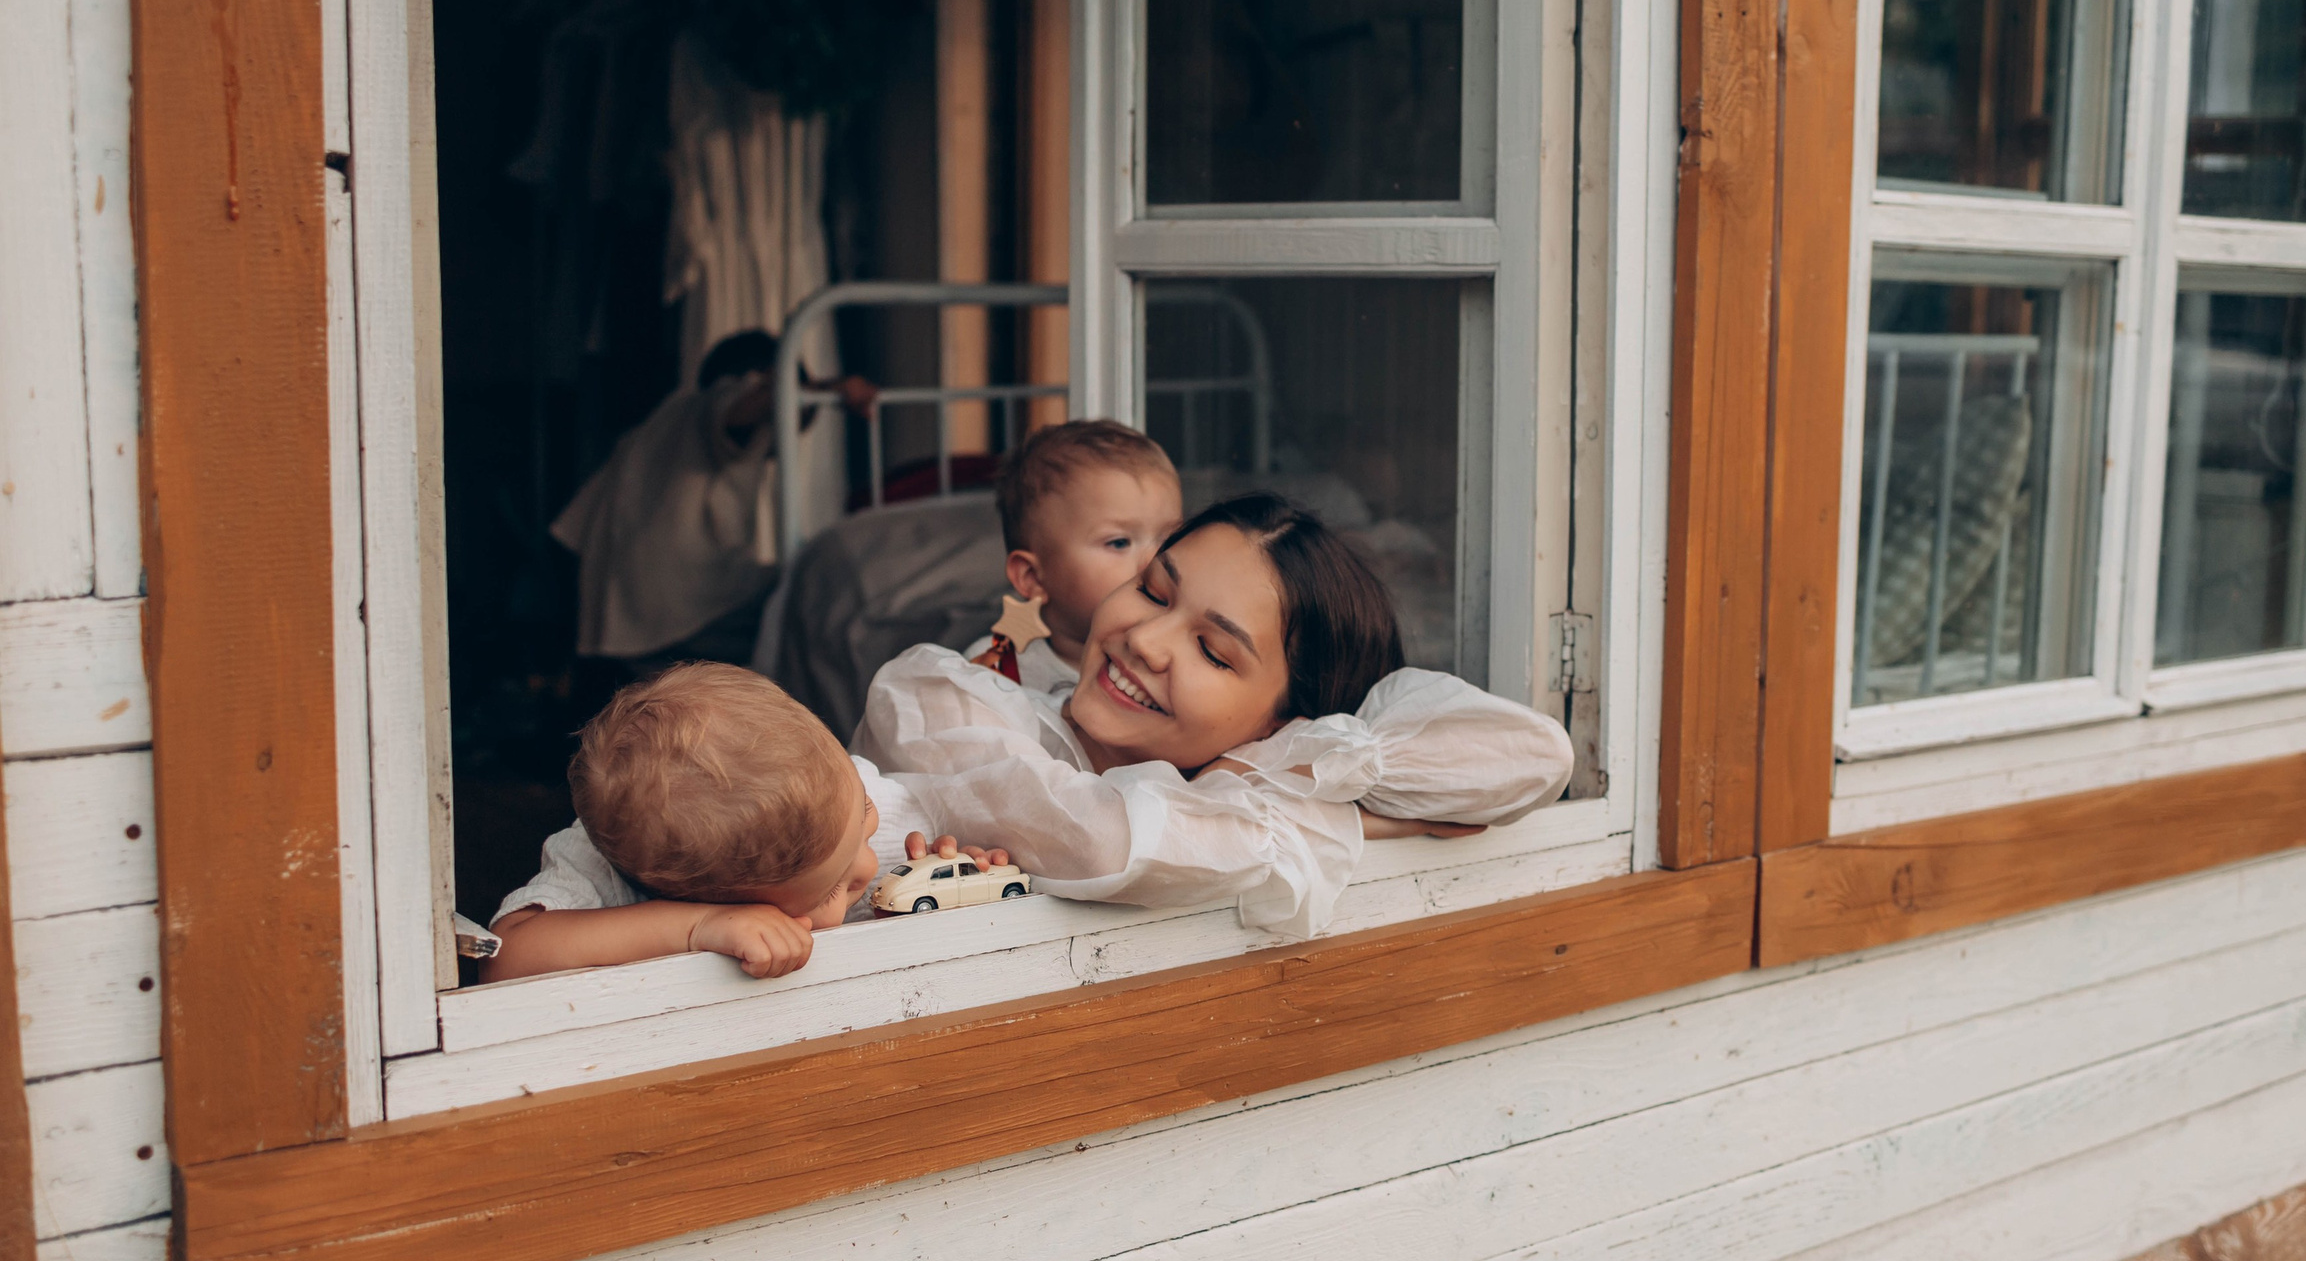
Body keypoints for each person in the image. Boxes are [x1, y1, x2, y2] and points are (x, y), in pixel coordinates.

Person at [855, 493, 1574, 941]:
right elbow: (1102, 839)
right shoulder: (944, 695)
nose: (1144, 639)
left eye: (1212, 650)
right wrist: (1343, 814)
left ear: (1279, 724)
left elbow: (1533, 753)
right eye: (1153, 589)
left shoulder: (1245, 787)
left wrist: (1287, 768)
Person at [482, 662, 903, 981]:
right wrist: (698, 927)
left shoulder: (836, 783)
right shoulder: (601, 866)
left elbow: (935, 809)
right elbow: (504, 958)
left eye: (866, 814)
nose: (867, 867)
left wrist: (940, 869)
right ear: (712, 899)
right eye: (830, 890)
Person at [552, 329, 876, 666]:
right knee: (817, 594)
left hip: (626, 614)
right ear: (764, 376)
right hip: (686, 605)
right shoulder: (725, 399)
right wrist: (831, 388)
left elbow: (573, 530)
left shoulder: (658, 425)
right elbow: (744, 407)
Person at [961, 419, 1186, 700]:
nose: (1156, 561)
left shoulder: (1181, 663)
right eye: (1119, 542)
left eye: (1169, 540)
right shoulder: (997, 670)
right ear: (1032, 578)